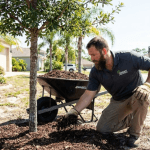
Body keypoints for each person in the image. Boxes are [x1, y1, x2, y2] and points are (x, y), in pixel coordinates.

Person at [65, 36, 150, 148]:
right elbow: (88, 94)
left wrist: (147, 85)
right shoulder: (96, 72)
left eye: (94, 55)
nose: (92, 59)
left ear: (104, 51)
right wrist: (74, 111)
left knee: (142, 96)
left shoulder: (129, 57)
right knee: (102, 129)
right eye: (90, 55)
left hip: (136, 96)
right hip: (118, 100)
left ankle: (134, 135)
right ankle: (130, 119)